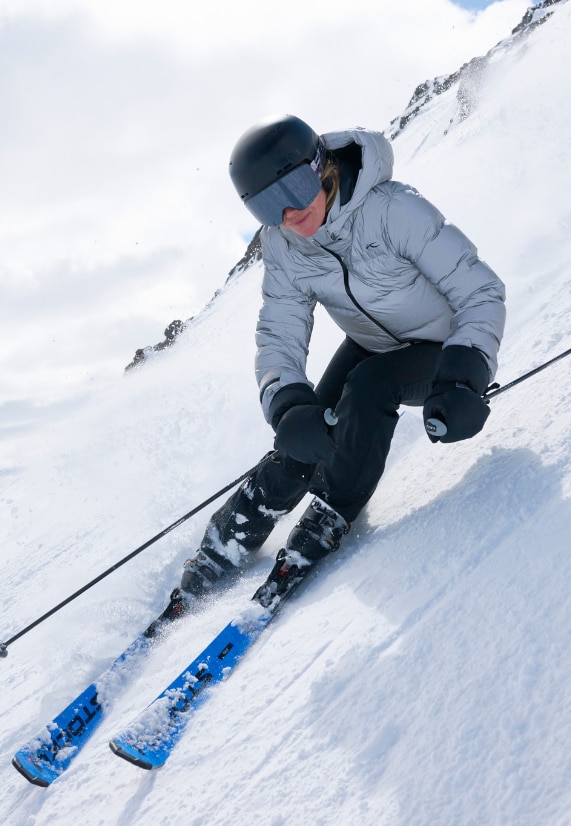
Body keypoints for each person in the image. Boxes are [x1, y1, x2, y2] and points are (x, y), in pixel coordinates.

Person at [152, 115, 506, 627]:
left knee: (368, 389)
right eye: (269, 205)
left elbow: (481, 290)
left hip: (446, 347)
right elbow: (279, 332)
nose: (291, 213)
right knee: (306, 431)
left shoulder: (391, 209)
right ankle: (234, 529)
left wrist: (467, 373)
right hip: (375, 343)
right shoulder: (283, 245)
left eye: (295, 188)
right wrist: (286, 402)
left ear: (321, 167)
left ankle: (328, 516)